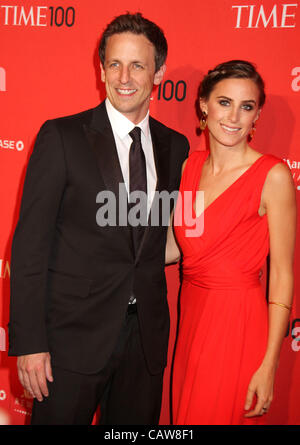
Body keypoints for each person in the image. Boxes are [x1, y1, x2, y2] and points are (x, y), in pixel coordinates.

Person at [8, 12, 189, 425]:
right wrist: (30, 343)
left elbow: (161, 237)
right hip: (69, 343)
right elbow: (29, 247)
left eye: (138, 65)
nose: (124, 77)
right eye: (114, 63)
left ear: (158, 72)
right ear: (101, 68)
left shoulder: (174, 146)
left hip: (144, 343)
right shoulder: (62, 137)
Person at [166, 60, 296, 425]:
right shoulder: (187, 168)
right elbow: (179, 247)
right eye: (225, 102)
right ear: (203, 105)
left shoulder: (272, 175)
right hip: (192, 320)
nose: (234, 116)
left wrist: (270, 362)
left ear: (257, 116)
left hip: (238, 325)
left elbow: (282, 274)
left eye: (247, 106)